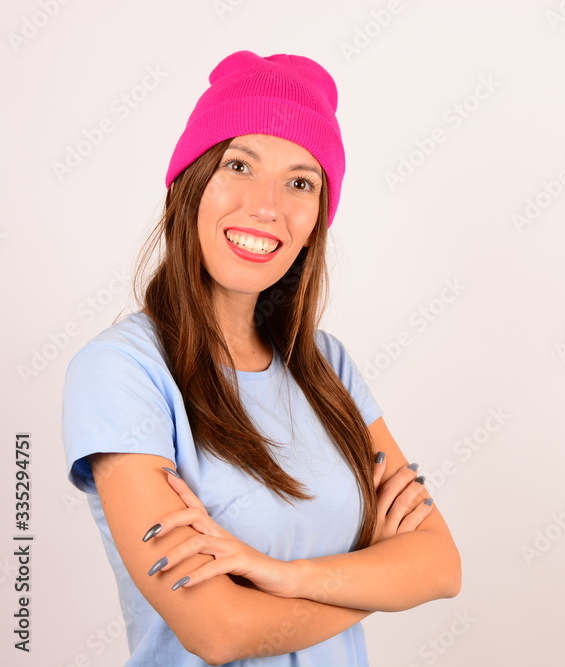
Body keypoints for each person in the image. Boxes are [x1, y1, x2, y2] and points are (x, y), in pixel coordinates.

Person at [60, 50, 461, 666]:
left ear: (316, 221)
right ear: (189, 183)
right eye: (238, 165)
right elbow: (217, 630)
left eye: (300, 182)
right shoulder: (121, 371)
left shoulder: (326, 365)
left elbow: (440, 565)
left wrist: (282, 575)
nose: (266, 206)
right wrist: (377, 578)